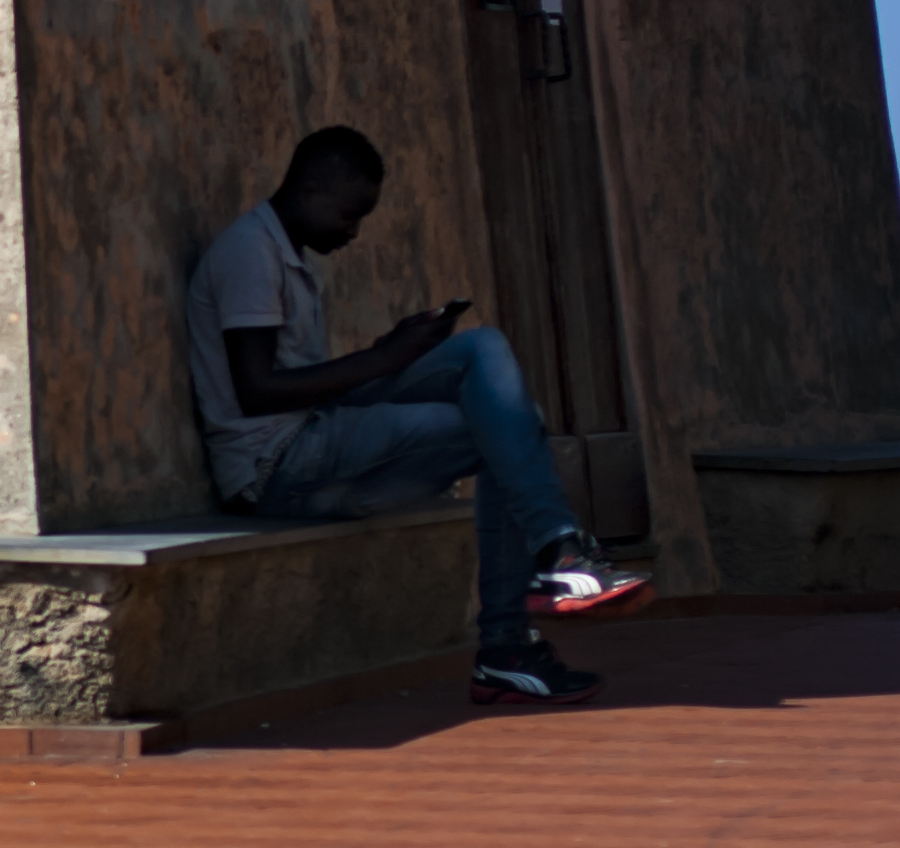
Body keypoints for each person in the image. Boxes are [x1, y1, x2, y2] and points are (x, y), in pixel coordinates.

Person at [187, 125, 650, 706]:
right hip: (277, 465)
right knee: (503, 430)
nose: (354, 233)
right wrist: (383, 359)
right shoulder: (249, 253)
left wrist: (395, 348)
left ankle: (556, 558)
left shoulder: (283, 250)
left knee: (483, 353)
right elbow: (255, 392)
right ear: (309, 189)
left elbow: (297, 383)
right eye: (349, 215)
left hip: (314, 432)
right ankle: (524, 615)